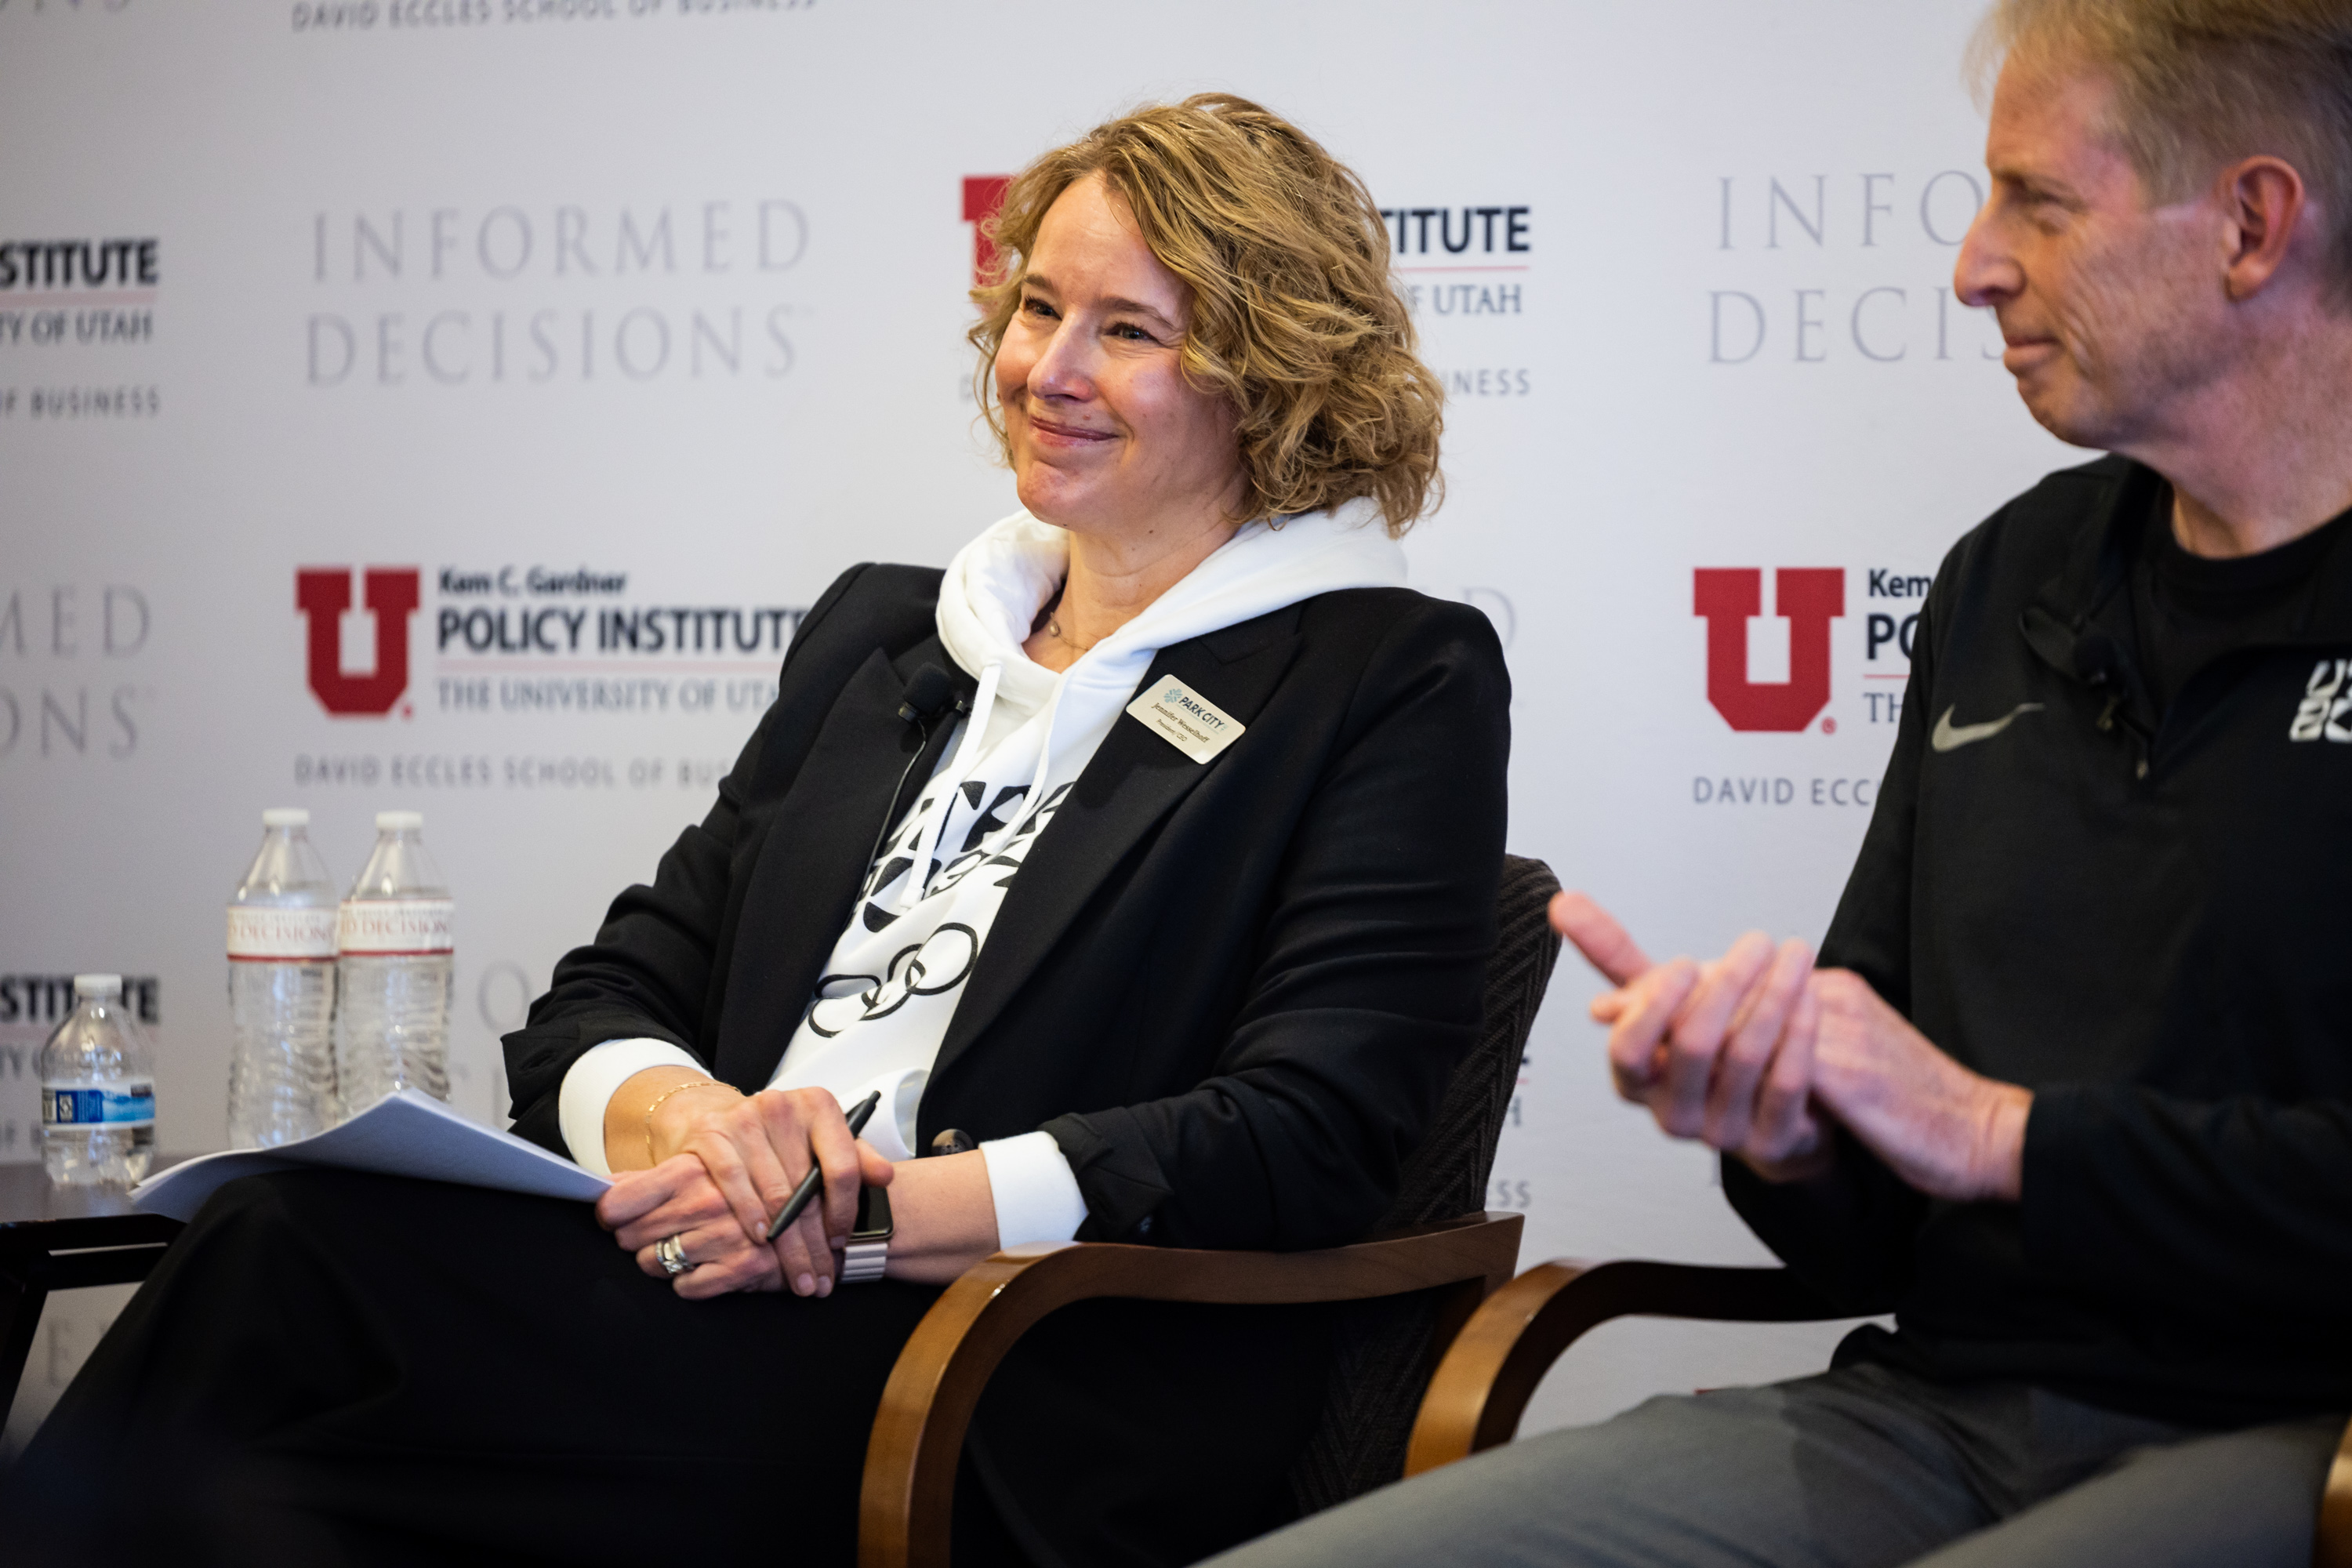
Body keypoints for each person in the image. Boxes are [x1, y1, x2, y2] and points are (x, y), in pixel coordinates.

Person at [1, 95, 1506, 1568]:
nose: (1045, 368)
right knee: (277, 1260)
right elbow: (601, 998)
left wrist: (862, 1212)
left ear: (1272, 375)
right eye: (1040, 307)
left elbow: (1312, 1131)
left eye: (1128, 331)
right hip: (707, 1293)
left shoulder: (1382, 678)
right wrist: (702, 1133)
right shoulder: (892, 636)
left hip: (999, 1373)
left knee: (279, 1340)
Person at [1204, 5, 2352, 1567]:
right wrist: (1784, 1120)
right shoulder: (2013, 577)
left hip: (2297, 1430)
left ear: (2252, 224)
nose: (1976, 265)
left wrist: (2003, 1136)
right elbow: (1873, 1205)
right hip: (1934, 1414)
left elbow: (1986, 1132)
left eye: (2039, 202)